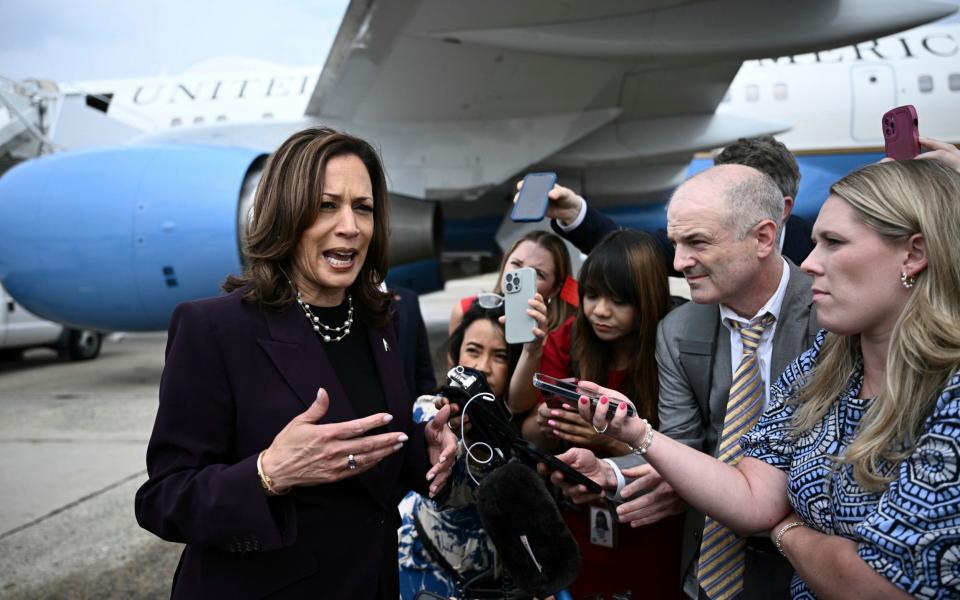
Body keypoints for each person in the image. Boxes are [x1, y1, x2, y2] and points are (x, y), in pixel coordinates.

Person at [566, 158, 960, 598]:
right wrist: (637, 435)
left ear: (914, 253)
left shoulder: (942, 387)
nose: (810, 263)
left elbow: (879, 586)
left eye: (833, 242)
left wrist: (784, 526)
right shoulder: (825, 359)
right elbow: (750, 494)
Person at [134, 127, 458, 599]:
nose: (350, 225)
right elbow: (163, 500)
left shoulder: (394, 319)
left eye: (362, 208)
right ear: (286, 213)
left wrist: (428, 449)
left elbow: (380, 464)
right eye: (327, 205)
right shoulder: (214, 329)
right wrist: (269, 472)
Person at [545, 164, 819, 599]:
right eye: (675, 243)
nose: (678, 262)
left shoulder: (831, 318)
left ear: (764, 238)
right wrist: (611, 472)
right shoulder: (677, 331)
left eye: (698, 242)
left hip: (813, 567)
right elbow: (681, 448)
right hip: (708, 568)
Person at [522, 230, 683, 599]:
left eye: (619, 300)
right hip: (578, 521)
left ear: (647, 299)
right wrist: (550, 423)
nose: (600, 311)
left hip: (650, 523)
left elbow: (686, 447)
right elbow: (529, 427)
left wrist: (611, 441)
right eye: (592, 295)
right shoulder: (570, 338)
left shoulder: (672, 347)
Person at [398, 300, 521, 599]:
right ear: (454, 358)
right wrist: (454, 429)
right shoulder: (426, 411)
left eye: (500, 356)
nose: (483, 367)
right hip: (420, 573)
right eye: (473, 351)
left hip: (489, 585)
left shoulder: (521, 432)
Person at [546, 136, 815, 269]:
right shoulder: (694, 245)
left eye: (731, 198)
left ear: (783, 209)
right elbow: (628, 248)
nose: (682, 263)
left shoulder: (816, 261)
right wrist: (573, 213)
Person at [448, 230, 576, 336]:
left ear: (555, 289)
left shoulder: (565, 336)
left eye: (537, 273)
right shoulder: (464, 311)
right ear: (504, 265)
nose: (519, 276)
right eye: (516, 264)